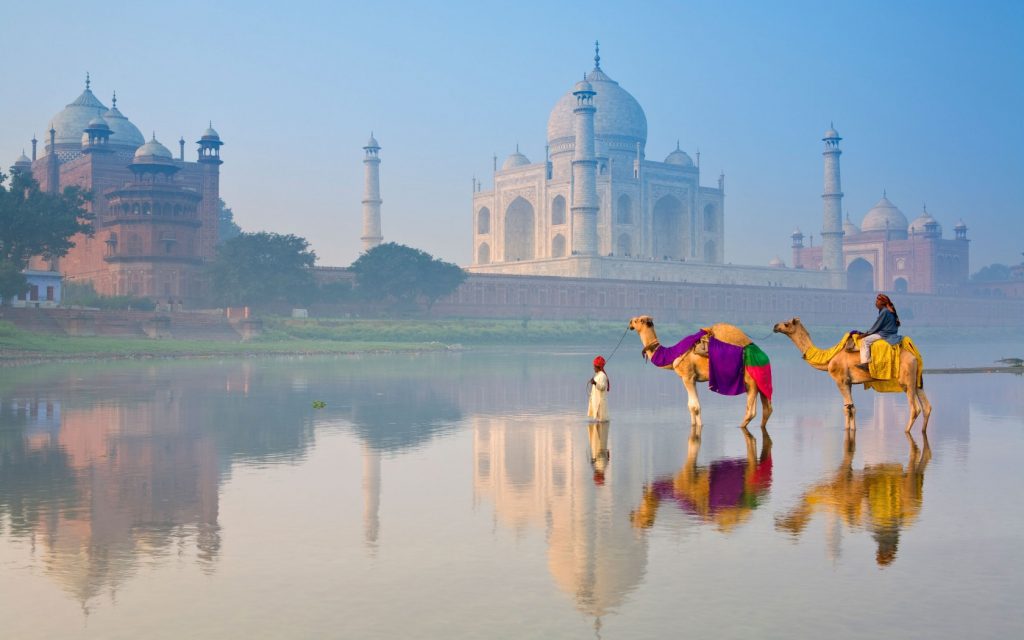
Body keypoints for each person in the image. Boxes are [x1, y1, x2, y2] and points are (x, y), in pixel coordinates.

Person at [857, 293, 901, 371]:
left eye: (877, 301)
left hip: (885, 334)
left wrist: (865, 334)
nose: (875, 303)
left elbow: (877, 326)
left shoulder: (885, 311)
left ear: (882, 303)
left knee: (865, 341)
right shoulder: (888, 310)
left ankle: (865, 363)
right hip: (891, 333)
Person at [588, 355, 610, 422]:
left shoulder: (602, 376)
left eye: (594, 366)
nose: (593, 368)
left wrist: (595, 383)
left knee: (601, 421)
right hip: (597, 401)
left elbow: (603, 387)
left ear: (598, 367)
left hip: (600, 402)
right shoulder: (598, 375)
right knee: (598, 421)